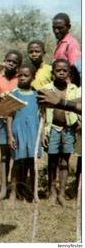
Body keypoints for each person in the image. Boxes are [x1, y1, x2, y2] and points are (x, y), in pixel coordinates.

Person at [41, 59, 80, 206]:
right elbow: (42, 113)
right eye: (58, 70)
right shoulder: (46, 89)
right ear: (53, 73)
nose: (62, 73)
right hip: (52, 129)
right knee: (52, 162)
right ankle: (52, 192)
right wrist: (43, 133)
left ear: (69, 73)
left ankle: (62, 193)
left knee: (65, 161)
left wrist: (78, 124)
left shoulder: (73, 89)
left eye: (65, 71)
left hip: (68, 129)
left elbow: (78, 108)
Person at [0, 50, 22, 202]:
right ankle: (2, 189)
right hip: (1, 120)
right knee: (3, 156)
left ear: (18, 66)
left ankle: (13, 190)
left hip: (17, 121)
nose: (10, 64)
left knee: (15, 156)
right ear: (4, 61)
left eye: (14, 62)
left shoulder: (20, 79)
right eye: (8, 60)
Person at [7, 64, 42, 204]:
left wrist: (42, 134)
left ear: (32, 78)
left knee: (32, 163)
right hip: (18, 131)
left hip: (33, 132)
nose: (22, 78)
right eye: (20, 75)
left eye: (26, 75)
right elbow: (9, 115)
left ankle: (34, 193)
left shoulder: (37, 95)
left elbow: (41, 115)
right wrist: (10, 135)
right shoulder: (14, 94)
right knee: (16, 162)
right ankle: (13, 192)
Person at [52, 13, 81, 87]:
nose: (56, 31)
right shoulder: (61, 42)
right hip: (59, 86)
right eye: (54, 28)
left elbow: (77, 70)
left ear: (68, 27)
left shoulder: (71, 44)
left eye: (60, 28)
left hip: (67, 88)